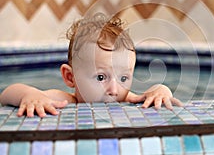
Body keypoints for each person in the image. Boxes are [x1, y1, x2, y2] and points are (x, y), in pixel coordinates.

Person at [0, 13, 182, 117]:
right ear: (70, 77)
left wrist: (162, 90)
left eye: (124, 78)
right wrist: (30, 95)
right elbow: (6, 94)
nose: (114, 89)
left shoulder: (126, 98)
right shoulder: (64, 100)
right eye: (101, 77)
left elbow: (154, 92)